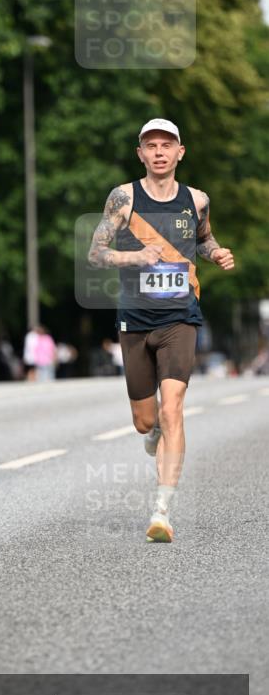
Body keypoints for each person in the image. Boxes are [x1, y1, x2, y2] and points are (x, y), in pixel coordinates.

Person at [88, 118, 235, 543]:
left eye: (166, 145)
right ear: (141, 154)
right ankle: (152, 432)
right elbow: (96, 253)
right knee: (145, 420)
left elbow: (203, 239)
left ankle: (162, 511)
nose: (158, 152)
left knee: (173, 409)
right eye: (150, 145)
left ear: (179, 152)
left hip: (180, 317)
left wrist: (216, 253)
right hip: (134, 319)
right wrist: (133, 258)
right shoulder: (123, 198)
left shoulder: (197, 200)